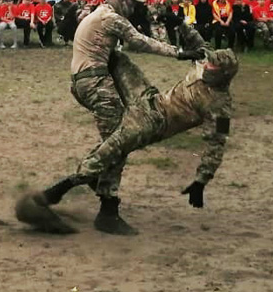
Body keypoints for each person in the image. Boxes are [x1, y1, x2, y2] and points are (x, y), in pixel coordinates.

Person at [16, 24, 216, 235]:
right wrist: (177, 21)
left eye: (212, 66)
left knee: (111, 150)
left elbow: (217, 146)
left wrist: (201, 179)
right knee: (118, 59)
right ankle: (84, 76)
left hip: (152, 124)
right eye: (209, 63)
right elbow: (200, 44)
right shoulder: (209, 67)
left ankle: (64, 195)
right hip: (149, 98)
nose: (207, 65)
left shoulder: (218, 103)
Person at [58, 0, 201, 235]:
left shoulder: (96, 15)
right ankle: (107, 210)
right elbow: (140, 42)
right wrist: (180, 53)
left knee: (115, 141)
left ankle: (93, 180)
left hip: (84, 81)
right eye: (131, 4)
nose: (133, 8)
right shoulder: (110, 18)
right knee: (120, 141)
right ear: (121, 1)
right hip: (96, 82)